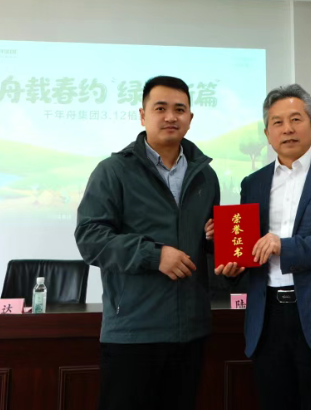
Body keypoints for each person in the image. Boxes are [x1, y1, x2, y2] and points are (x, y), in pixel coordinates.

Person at [210, 84, 311, 410]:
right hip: (267, 318)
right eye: (278, 122)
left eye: (296, 119)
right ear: (267, 133)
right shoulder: (252, 183)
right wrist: (231, 260)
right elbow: (249, 247)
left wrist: (286, 246)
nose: (287, 129)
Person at [75, 75, 220, 410]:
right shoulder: (113, 171)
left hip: (190, 331)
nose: (171, 116)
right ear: (143, 115)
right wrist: (154, 256)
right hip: (133, 331)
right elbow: (90, 238)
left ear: (190, 118)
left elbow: (207, 247)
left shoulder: (205, 175)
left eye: (179, 109)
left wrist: (215, 242)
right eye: (160, 108)